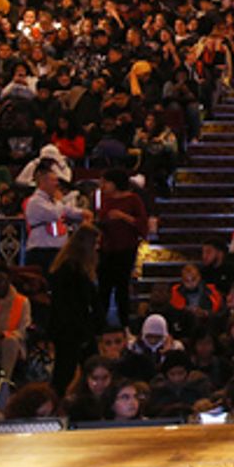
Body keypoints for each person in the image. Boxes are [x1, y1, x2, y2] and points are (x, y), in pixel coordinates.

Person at [48, 225, 102, 395]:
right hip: (72, 330)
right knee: (68, 371)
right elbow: (72, 305)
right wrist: (84, 331)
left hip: (71, 328)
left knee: (68, 369)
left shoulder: (70, 267)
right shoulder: (72, 270)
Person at [95, 170, 148, 326]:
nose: (103, 186)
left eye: (106, 182)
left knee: (122, 288)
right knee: (103, 288)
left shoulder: (133, 199)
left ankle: (124, 323)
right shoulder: (105, 200)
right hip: (106, 249)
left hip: (125, 249)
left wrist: (123, 216)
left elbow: (142, 224)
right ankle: (100, 324)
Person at [25, 161, 89, 272]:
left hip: (56, 250)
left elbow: (67, 210)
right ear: (43, 182)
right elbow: (54, 214)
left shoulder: (52, 201)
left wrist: (82, 213)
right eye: (53, 180)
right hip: (42, 251)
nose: (57, 184)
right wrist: (59, 201)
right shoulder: (36, 201)